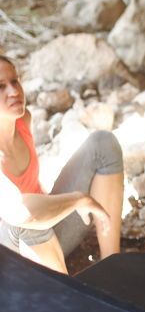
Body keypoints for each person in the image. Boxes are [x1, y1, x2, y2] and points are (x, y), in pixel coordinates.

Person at [0, 55, 124, 274]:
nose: (13, 92)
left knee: (102, 143)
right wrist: (78, 199)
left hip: (44, 239)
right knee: (26, 219)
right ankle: (67, 300)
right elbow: (23, 213)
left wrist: (57, 202)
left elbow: (31, 188)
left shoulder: (23, 120)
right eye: (0, 87)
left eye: (15, 81)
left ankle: (114, 268)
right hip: (11, 263)